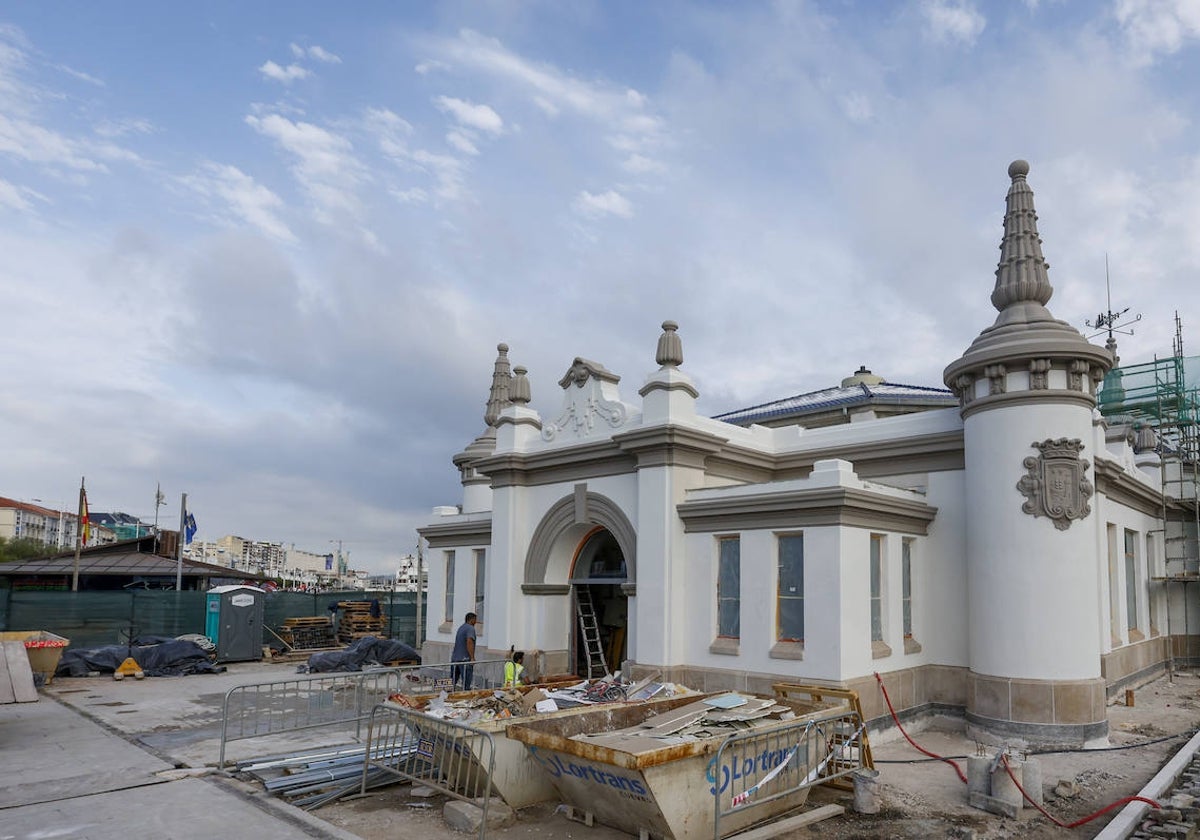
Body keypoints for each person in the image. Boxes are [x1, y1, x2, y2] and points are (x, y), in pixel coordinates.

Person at [451, 612, 477, 690]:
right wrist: (472, 657)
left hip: (455, 659)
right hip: (465, 660)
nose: (476, 622)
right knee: (466, 683)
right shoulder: (470, 628)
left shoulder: (461, 627)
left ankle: (447, 696)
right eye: (475, 620)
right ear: (471, 619)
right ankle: (465, 698)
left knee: (453, 681)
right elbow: (469, 641)